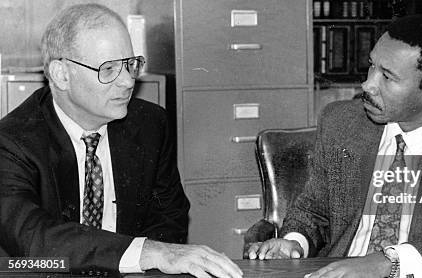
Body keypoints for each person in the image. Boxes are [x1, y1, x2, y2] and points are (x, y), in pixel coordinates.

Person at [248, 15, 422, 278]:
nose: (367, 84)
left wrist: (388, 262)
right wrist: (295, 242)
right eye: (372, 66)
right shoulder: (341, 122)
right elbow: (314, 208)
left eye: (387, 77)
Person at [0, 4, 242, 278]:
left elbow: (169, 217)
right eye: (109, 68)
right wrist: (146, 253)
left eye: (130, 64)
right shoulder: (12, 142)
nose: (127, 82)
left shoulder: (150, 124)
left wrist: (148, 263)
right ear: (61, 74)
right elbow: (35, 239)